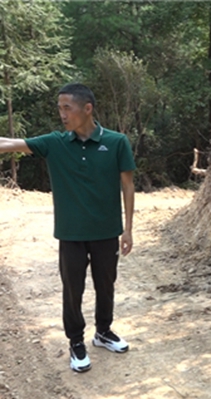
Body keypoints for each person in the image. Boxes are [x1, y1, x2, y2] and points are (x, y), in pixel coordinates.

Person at [0, 83, 135, 373]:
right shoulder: (55, 142)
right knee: (72, 289)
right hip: (71, 234)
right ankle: (76, 341)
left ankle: (103, 332)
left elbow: (127, 184)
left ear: (87, 109)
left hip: (106, 231)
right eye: (59, 108)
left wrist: (128, 229)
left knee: (106, 286)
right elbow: (9, 143)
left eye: (67, 108)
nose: (62, 114)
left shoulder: (116, 142)